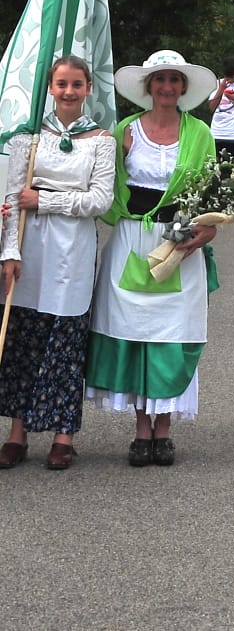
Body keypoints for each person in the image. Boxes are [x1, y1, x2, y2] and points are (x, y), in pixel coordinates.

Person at [85, 49, 221, 467]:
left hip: (178, 243)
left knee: (172, 333)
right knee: (136, 331)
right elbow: (105, 189)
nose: (167, 87)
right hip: (131, 239)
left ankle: (165, 430)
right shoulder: (124, 131)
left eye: (174, 80)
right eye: (159, 80)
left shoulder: (199, 133)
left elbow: (212, 192)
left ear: (183, 88)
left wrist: (207, 228)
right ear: (148, 88)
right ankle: (142, 430)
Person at [0, 57, 115, 471]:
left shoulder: (101, 141)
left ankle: (64, 435)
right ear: (50, 88)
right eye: (62, 84)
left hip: (73, 251)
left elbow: (100, 201)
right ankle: (17, 432)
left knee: (63, 343)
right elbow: (14, 199)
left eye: (77, 84)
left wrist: (45, 200)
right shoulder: (27, 140)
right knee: (22, 339)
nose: (69, 91)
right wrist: (9, 252)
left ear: (88, 89)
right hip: (32, 247)